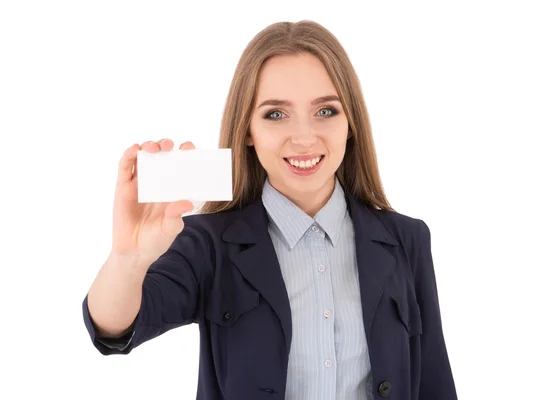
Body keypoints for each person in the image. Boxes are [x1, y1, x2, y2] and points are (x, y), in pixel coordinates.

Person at [82, 20, 457, 400]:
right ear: (247, 130)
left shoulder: (406, 240)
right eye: (276, 114)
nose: (305, 137)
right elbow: (114, 327)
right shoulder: (209, 244)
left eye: (326, 111)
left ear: (350, 123)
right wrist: (128, 258)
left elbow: (434, 382)